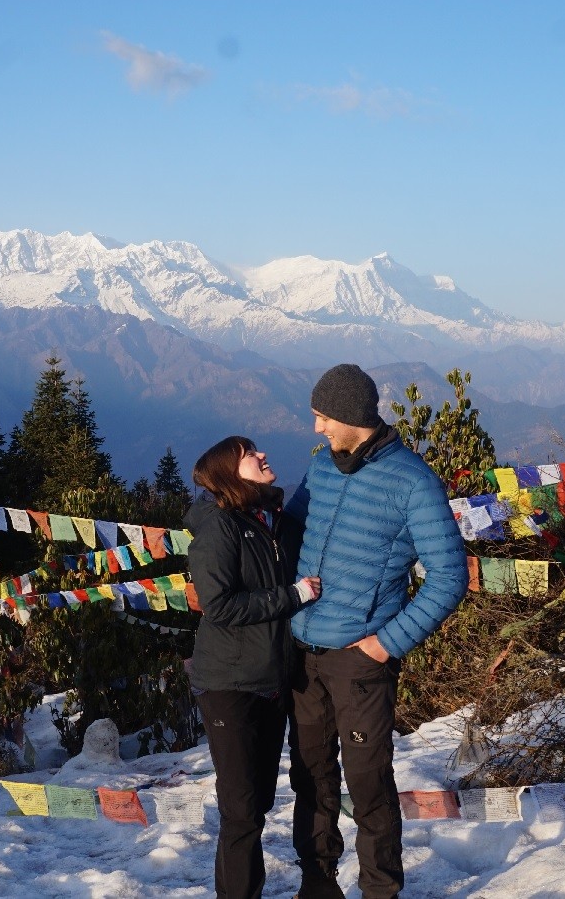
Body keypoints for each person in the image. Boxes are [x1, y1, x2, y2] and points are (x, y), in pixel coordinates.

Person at [286, 364, 469, 899]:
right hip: (303, 653)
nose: (317, 429)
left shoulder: (413, 481)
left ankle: (380, 892)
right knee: (311, 779)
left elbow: (450, 576)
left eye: (322, 417)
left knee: (368, 788)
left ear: (350, 416)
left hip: (360, 662)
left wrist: (385, 644)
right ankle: (317, 887)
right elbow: (290, 528)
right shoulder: (321, 468)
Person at [186, 435, 322, 899]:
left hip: (272, 680)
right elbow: (218, 605)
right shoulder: (220, 528)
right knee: (242, 810)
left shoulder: (270, 519)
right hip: (229, 684)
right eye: (250, 454)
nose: (263, 455)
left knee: (259, 801)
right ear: (229, 472)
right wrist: (295, 595)